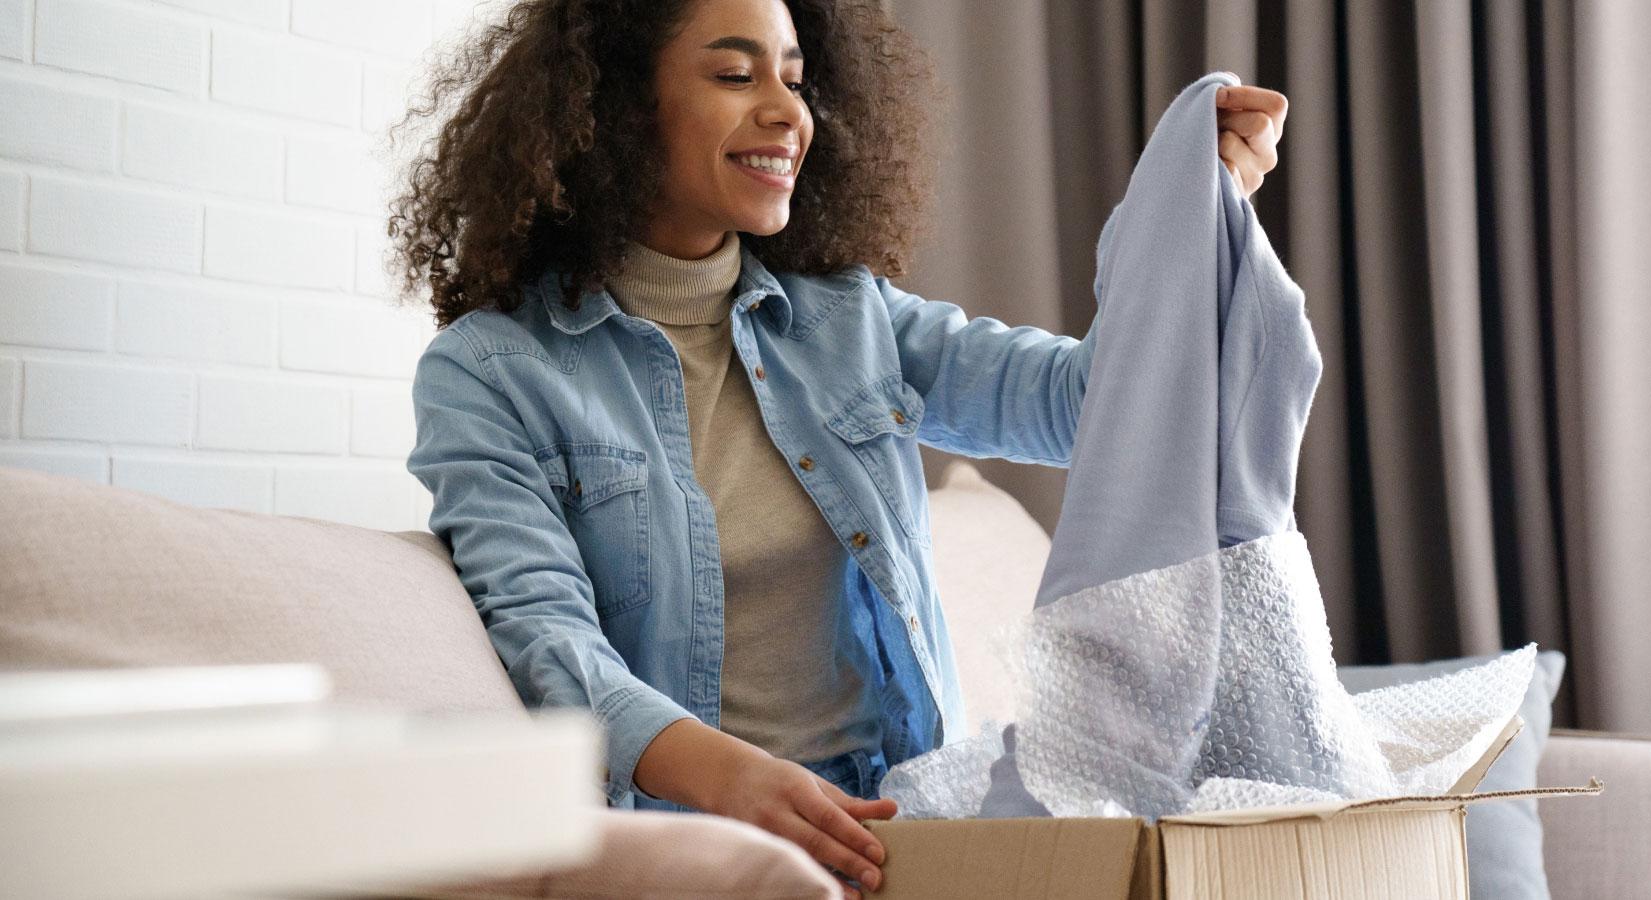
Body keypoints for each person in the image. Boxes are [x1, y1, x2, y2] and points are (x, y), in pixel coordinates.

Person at [390, 1, 1286, 895]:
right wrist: (730, 775)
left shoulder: (850, 318)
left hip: (909, 825)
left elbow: (1092, 407)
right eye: (736, 75)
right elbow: (547, 638)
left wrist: (1179, 212)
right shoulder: (492, 371)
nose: (788, 110)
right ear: (616, 105)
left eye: (795, 76)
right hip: (698, 848)